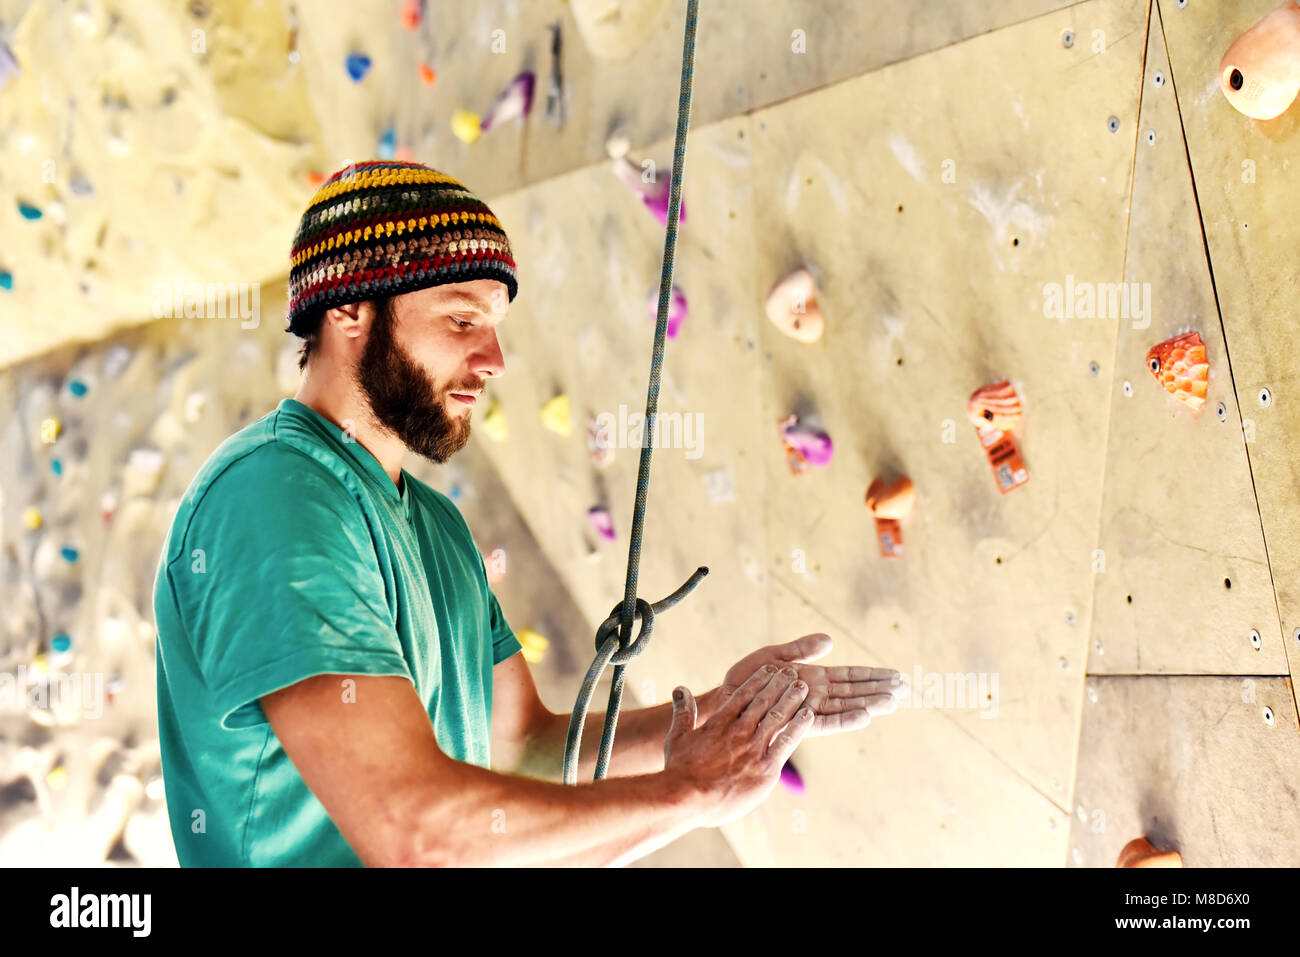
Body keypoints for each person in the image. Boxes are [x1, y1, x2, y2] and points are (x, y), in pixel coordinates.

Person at [152, 159, 905, 867]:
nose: (494, 359)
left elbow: (524, 747)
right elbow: (408, 824)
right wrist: (692, 791)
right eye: (460, 320)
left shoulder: (435, 528)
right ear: (349, 306)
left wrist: (723, 717)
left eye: (494, 323)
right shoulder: (276, 496)